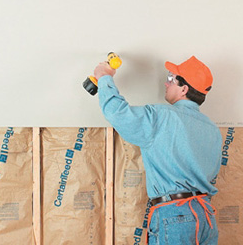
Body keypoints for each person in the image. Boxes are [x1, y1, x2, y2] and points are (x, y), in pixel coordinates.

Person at [94, 55, 222, 245]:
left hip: (176, 215)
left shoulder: (162, 116)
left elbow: (118, 113)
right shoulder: (213, 129)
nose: (165, 83)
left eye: (171, 79)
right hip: (205, 216)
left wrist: (105, 78)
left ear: (184, 89)